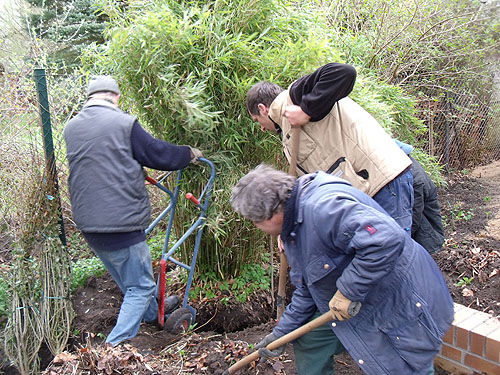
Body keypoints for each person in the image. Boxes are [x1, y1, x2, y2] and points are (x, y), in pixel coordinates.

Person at [231, 164, 454, 375]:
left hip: (397, 295)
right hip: (359, 295)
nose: (256, 228)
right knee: (311, 340)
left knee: (404, 365)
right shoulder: (294, 228)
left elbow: (386, 239)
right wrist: (281, 333)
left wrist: (348, 291)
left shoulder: (324, 208)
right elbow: (310, 288)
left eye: (255, 221)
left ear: (272, 213)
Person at [64, 76, 204, 347]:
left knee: (131, 279)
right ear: (115, 97)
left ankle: (152, 314)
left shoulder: (72, 127)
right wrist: (188, 153)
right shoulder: (123, 123)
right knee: (139, 286)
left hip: (88, 223)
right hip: (121, 222)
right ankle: (112, 349)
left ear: (90, 98)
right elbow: (157, 154)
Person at [246, 63, 414, 232]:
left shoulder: (295, 96)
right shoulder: (287, 131)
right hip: (363, 196)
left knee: (394, 253)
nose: (261, 128)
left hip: (381, 183)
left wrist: (306, 110)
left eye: (256, 120)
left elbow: (344, 72)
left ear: (262, 109)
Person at [395, 140, 445, 254]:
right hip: (425, 233)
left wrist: (401, 240)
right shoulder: (410, 166)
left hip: (427, 237)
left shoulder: (415, 179)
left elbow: (414, 215)